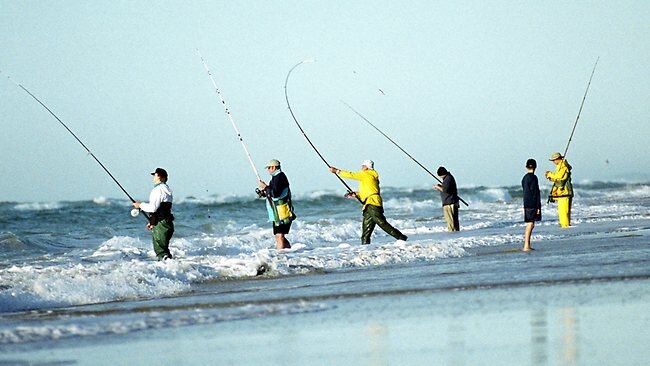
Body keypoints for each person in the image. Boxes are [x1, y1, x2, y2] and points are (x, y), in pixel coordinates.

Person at [329, 160, 407, 244]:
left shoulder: (367, 174)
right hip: (368, 204)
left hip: (373, 203)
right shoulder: (369, 177)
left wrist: (337, 171)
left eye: (362, 166)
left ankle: (401, 238)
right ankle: (365, 247)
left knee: (382, 223)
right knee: (366, 230)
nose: (361, 168)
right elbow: (368, 192)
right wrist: (356, 194)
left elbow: (351, 175)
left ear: (366, 167)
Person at [133, 168, 174, 261]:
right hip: (167, 224)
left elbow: (153, 208)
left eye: (154, 175)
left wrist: (140, 205)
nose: (153, 177)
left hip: (161, 225)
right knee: (164, 250)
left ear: (159, 176)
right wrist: (152, 222)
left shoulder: (158, 190)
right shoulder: (167, 190)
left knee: (161, 252)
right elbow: (162, 209)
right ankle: (172, 269)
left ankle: (168, 271)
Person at [258, 159, 295, 249]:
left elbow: (275, 193)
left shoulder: (279, 177)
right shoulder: (276, 178)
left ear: (274, 167)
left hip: (282, 213)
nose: (268, 170)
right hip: (278, 213)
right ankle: (289, 253)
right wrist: (264, 192)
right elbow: (273, 192)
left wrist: (265, 187)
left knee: (279, 236)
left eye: (269, 168)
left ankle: (281, 256)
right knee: (278, 236)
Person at [545, 152, 573, 228]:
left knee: (563, 212)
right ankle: (565, 225)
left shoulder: (563, 166)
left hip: (564, 193)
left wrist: (550, 173)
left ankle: (565, 226)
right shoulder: (560, 166)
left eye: (554, 160)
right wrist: (550, 177)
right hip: (562, 193)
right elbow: (558, 179)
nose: (553, 162)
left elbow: (559, 176)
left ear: (558, 159)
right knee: (562, 212)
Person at [522, 159, 542, 251]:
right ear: (535, 167)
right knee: (530, 224)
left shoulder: (524, 178)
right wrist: (538, 206)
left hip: (526, 203)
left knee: (530, 224)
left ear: (526, 167)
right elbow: (536, 193)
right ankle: (526, 245)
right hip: (533, 204)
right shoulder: (534, 178)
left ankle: (527, 245)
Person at [434, 166, 460, 232]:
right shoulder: (449, 178)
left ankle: (453, 237)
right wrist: (441, 186)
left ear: (441, 174)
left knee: (451, 225)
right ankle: (456, 235)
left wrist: (437, 187)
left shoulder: (448, 178)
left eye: (440, 176)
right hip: (451, 202)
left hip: (449, 204)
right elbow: (447, 188)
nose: (440, 178)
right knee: (454, 224)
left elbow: (445, 190)